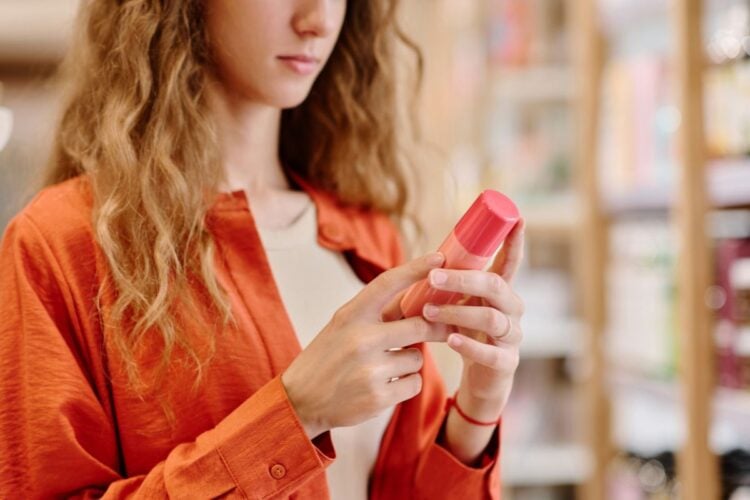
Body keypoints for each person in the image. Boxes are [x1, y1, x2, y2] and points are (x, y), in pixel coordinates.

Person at [0, 0, 526, 498]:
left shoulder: (366, 238)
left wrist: (476, 411)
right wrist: (295, 416)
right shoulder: (60, 244)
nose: (317, 20)